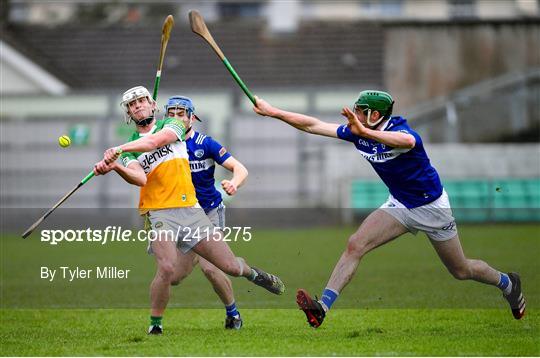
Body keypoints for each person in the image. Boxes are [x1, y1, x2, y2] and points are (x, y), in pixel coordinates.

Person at [252, 90, 526, 328]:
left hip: (432, 208)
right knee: (355, 244)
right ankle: (322, 308)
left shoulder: (402, 131)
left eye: (360, 111)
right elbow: (312, 125)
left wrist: (364, 132)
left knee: (461, 270)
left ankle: (508, 284)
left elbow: (406, 142)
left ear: (374, 115)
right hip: (399, 204)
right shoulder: (357, 132)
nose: (355, 116)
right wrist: (272, 111)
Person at [93, 86, 285, 335]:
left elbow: (154, 141)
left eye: (142, 101)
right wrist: (116, 167)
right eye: (132, 104)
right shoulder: (132, 145)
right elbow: (139, 179)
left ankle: (252, 274)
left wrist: (118, 150)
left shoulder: (173, 125)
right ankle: (155, 326)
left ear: (153, 104)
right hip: (158, 212)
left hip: (193, 211)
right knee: (168, 269)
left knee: (227, 267)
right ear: (128, 112)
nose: (138, 106)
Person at [163, 95, 249, 330]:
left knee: (211, 268)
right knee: (174, 277)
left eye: (181, 114)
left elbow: (239, 168)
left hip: (209, 211)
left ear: (192, 117)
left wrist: (234, 183)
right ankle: (234, 262)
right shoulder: (162, 147)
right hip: (182, 216)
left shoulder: (205, 143)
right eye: (171, 114)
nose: (176, 119)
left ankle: (233, 315)